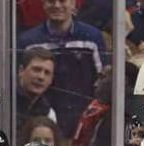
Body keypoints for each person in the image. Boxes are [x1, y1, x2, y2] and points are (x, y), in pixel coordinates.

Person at [17, 0, 107, 138]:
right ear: (43, 4)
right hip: (41, 124)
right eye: (51, 1)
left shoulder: (92, 38)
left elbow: (102, 81)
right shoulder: (28, 41)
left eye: (63, 1)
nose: (57, 5)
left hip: (82, 124)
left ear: (73, 4)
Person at [16, 47, 58, 130]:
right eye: (36, 70)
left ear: (51, 80)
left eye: (47, 73)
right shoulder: (2, 103)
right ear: (21, 71)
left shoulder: (49, 113)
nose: (41, 77)